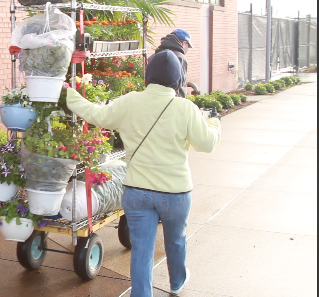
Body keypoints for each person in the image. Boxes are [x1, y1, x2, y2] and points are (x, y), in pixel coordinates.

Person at [66, 50, 221, 296]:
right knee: (175, 240)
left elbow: (96, 115)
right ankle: (176, 282)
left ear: (148, 75)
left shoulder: (130, 101)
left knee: (142, 250)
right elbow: (207, 144)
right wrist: (214, 122)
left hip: (137, 191)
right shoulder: (186, 108)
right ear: (178, 79)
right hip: (175, 193)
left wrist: (70, 94)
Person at [154, 28, 194, 98]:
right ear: (184, 43)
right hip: (173, 102)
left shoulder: (156, 55)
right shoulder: (180, 57)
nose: (187, 49)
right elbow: (178, 84)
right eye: (188, 46)